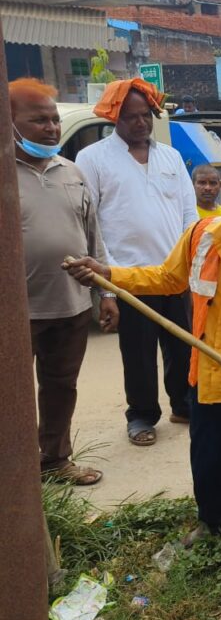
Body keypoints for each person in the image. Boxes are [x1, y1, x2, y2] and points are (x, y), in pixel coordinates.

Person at [65, 165, 221, 573]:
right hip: (211, 380)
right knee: (208, 465)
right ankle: (213, 523)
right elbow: (167, 279)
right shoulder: (201, 239)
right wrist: (110, 274)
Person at [76, 79, 198, 445]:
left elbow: (189, 215)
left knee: (182, 345)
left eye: (145, 116)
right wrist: (108, 288)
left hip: (174, 273)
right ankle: (142, 416)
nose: (140, 123)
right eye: (131, 118)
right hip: (126, 275)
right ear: (115, 117)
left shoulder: (170, 157)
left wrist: (191, 264)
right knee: (138, 352)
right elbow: (91, 222)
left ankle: (183, 404)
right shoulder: (93, 158)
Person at [13, 78, 115, 486]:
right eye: (39, 120)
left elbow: (94, 237)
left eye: (55, 120)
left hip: (70, 306)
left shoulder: (70, 171)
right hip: (19, 314)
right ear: (10, 122)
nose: (53, 128)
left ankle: (55, 460)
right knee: (12, 398)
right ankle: (16, 474)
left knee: (61, 386)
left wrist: (106, 292)